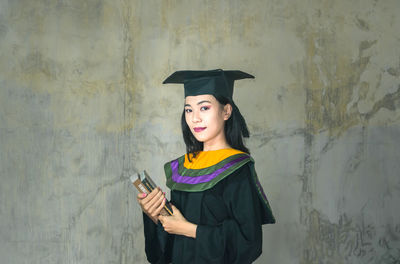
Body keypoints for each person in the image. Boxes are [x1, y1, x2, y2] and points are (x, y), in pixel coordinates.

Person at [137, 69, 275, 264]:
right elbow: (164, 254)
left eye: (204, 108)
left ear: (226, 111)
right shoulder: (185, 168)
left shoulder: (237, 168)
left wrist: (189, 229)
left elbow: (249, 244)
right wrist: (155, 216)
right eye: (188, 109)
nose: (195, 118)